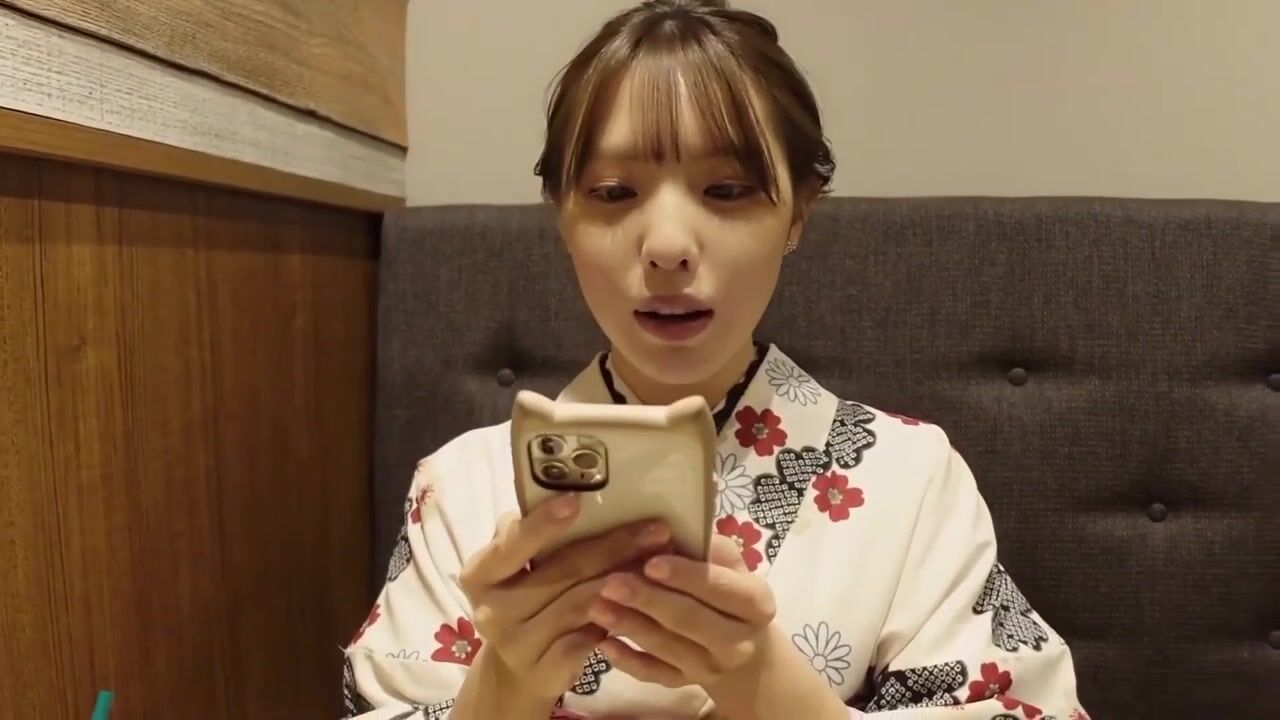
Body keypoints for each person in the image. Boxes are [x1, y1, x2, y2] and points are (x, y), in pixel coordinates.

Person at [343, 1, 1088, 718]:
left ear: (798, 211)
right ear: (562, 215)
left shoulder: (911, 480)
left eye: (727, 189)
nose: (668, 245)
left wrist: (767, 688)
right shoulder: (462, 490)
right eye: (613, 192)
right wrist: (503, 690)